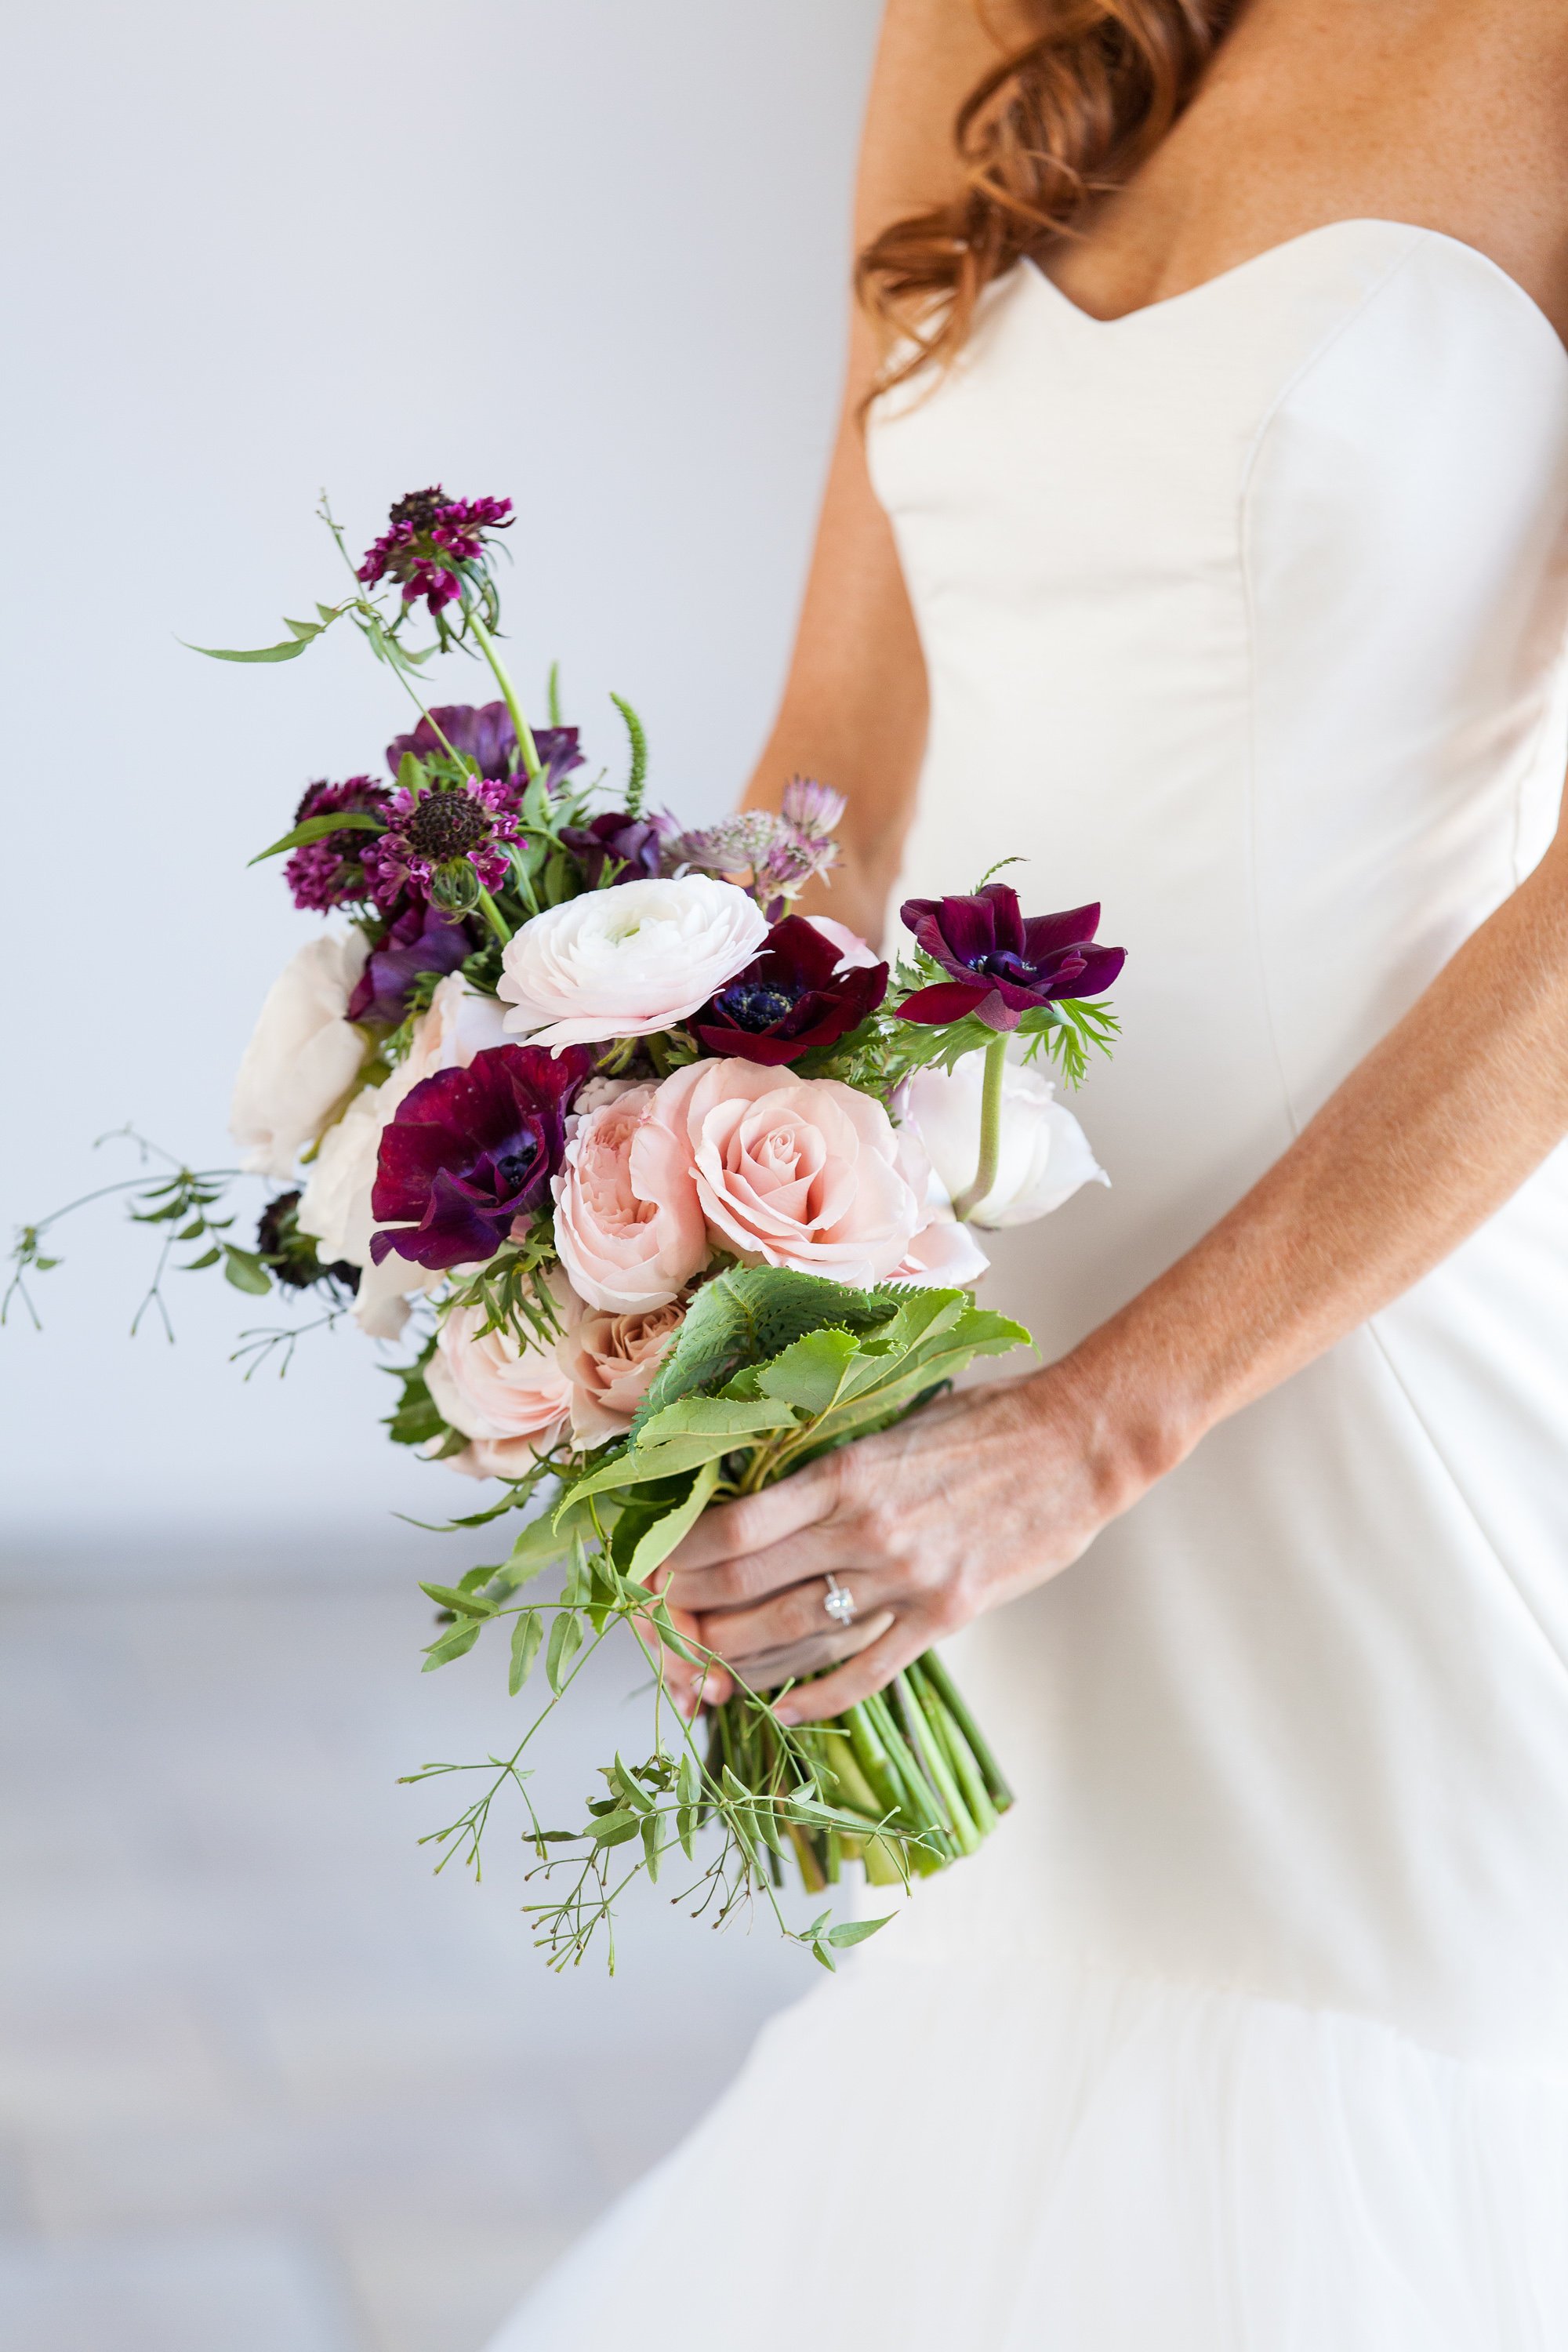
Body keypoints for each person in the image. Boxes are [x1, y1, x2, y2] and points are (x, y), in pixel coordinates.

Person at [489, 2, 1568, 2341]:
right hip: (962, 1321)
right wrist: (645, 1229)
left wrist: (1107, 1427)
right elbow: (837, 775)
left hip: (1354, 1368)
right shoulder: (975, 23)